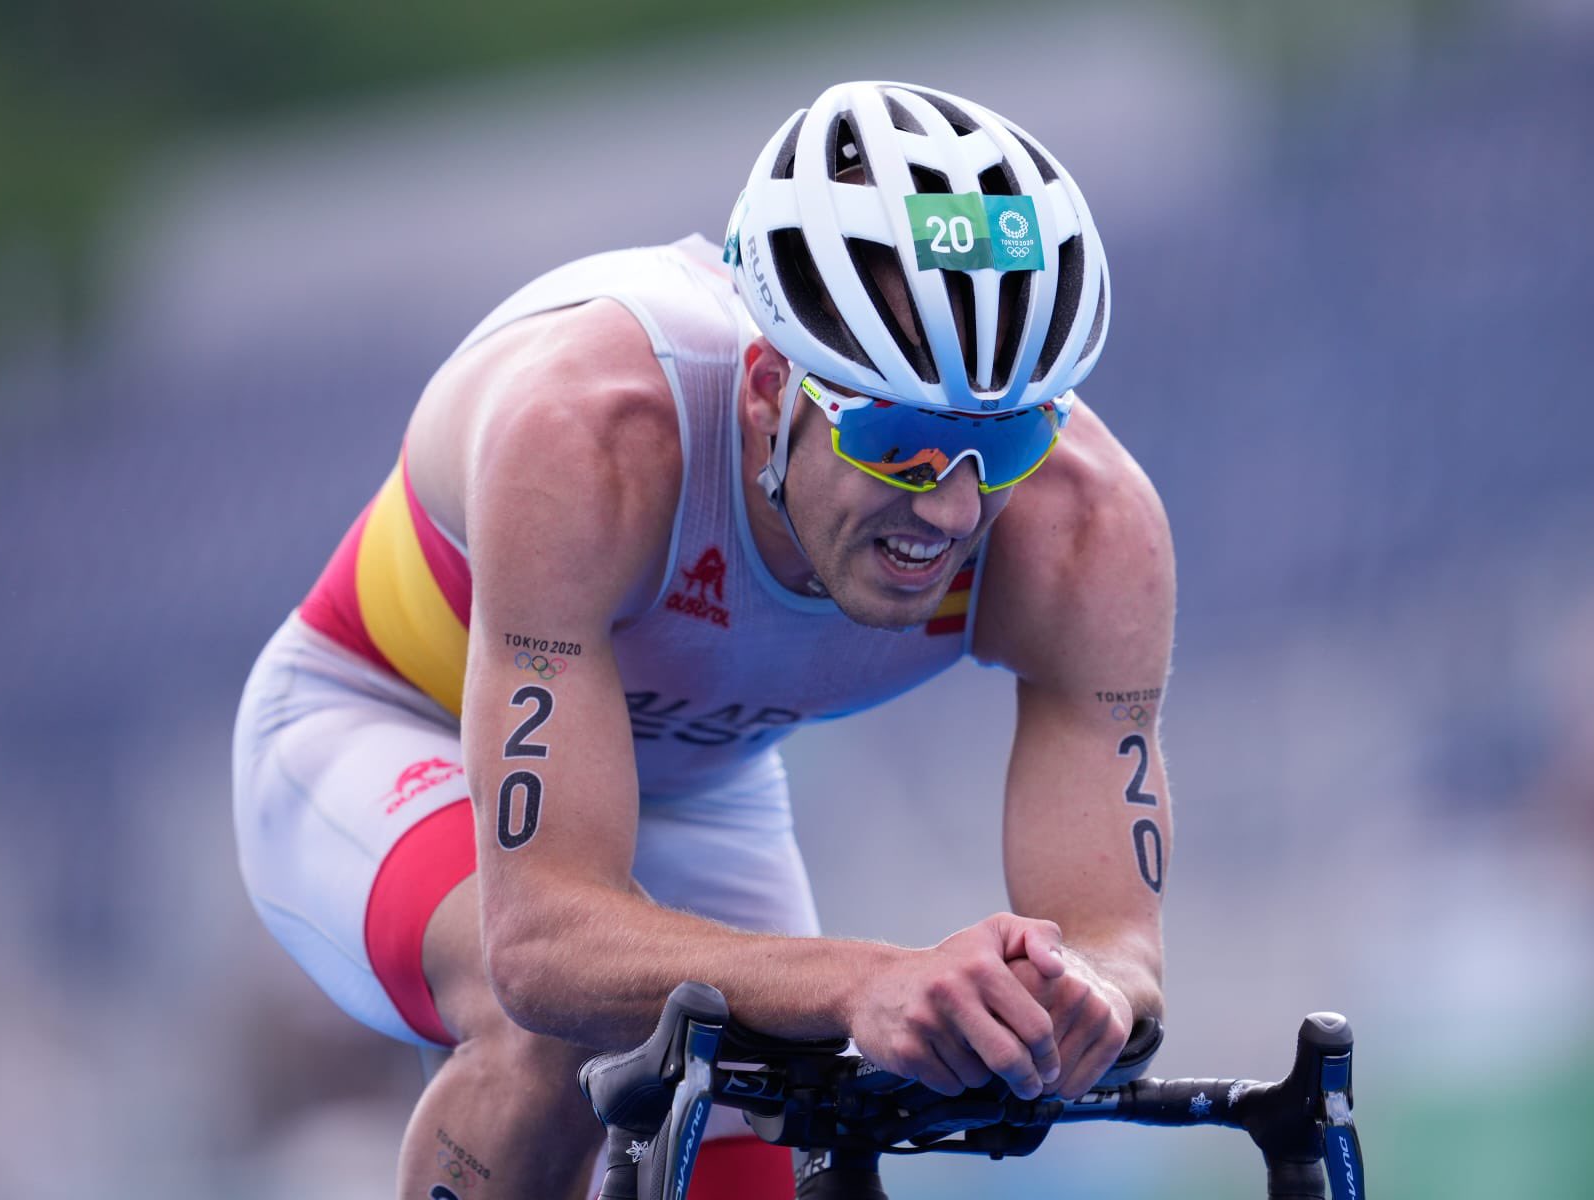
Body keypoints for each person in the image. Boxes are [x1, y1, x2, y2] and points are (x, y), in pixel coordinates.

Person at [233, 80, 1175, 1200]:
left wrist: (1073, 1001)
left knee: (789, 1092)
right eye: (899, 444)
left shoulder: (1084, 527)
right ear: (769, 388)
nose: (954, 511)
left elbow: (1121, 946)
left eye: (1006, 438)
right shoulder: (592, 434)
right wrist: (875, 978)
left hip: (693, 784)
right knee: (560, 1034)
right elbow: (540, 946)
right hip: (383, 721)